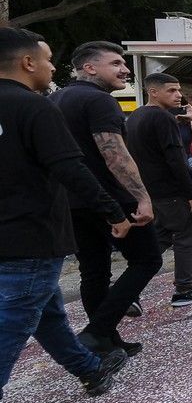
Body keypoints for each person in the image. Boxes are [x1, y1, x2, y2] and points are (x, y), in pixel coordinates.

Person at [1, 28, 132, 403]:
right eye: (47, 58)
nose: (52, 67)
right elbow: (71, 168)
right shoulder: (33, 108)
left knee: (47, 312)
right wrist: (113, 209)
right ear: (26, 63)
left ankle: (89, 369)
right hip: (32, 233)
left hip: (11, 234)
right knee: (14, 324)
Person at [49, 41, 161, 356]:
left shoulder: (55, 99)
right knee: (147, 259)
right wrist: (142, 198)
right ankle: (97, 332)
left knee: (94, 270)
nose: (124, 69)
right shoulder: (99, 101)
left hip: (71, 200)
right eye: (115, 63)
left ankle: (109, 341)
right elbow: (115, 155)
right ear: (90, 67)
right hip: (111, 198)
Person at [124, 73, 192, 308]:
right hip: (171, 191)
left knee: (160, 238)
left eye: (178, 90)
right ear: (153, 92)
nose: (178, 95)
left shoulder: (136, 116)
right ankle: (184, 288)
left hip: (152, 190)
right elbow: (176, 159)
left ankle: (126, 291)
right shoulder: (161, 117)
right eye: (171, 90)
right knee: (188, 233)